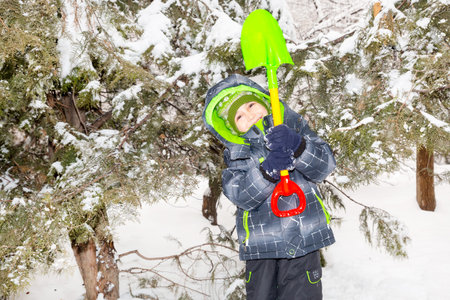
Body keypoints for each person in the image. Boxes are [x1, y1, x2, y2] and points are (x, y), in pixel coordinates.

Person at [202, 74, 336, 300]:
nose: (251, 114)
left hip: (303, 244)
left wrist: (298, 145)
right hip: (261, 250)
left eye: (252, 104)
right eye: (240, 116)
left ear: (264, 100)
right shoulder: (238, 155)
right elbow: (241, 194)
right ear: (232, 129)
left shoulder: (294, 130)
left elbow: (325, 166)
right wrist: (266, 171)